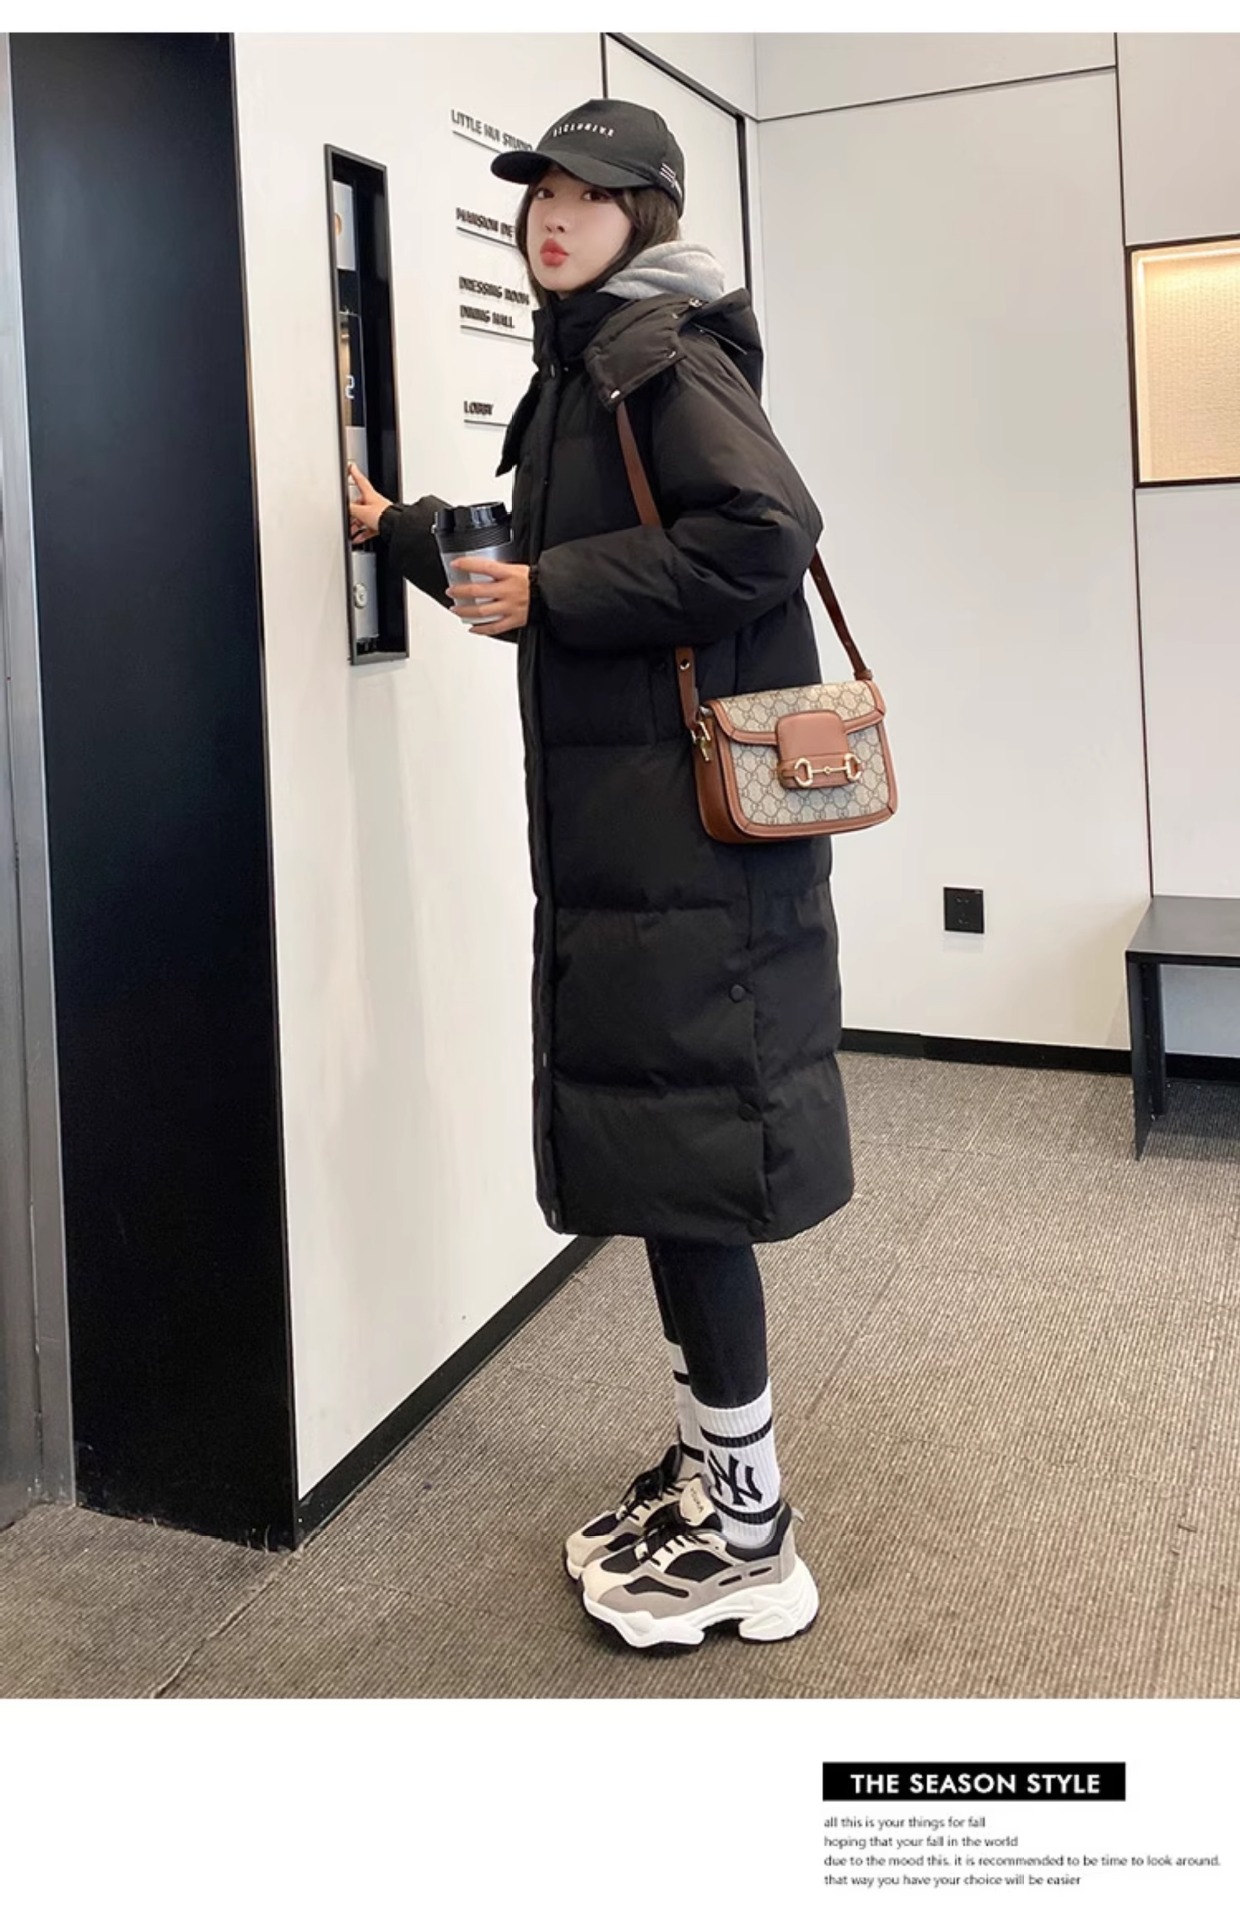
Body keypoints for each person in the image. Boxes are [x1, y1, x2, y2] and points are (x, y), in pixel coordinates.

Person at [347, 98, 853, 1652]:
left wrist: (556, 587)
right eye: (541, 194)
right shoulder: (584, 364)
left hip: (686, 857)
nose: (553, 218)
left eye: (590, 196)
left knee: (689, 1171)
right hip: (641, 850)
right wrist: (406, 531)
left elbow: (764, 532)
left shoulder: (656, 354)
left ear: (647, 215)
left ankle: (754, 1536)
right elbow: (538, 554)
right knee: (663, 1164)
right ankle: (714, 1468)